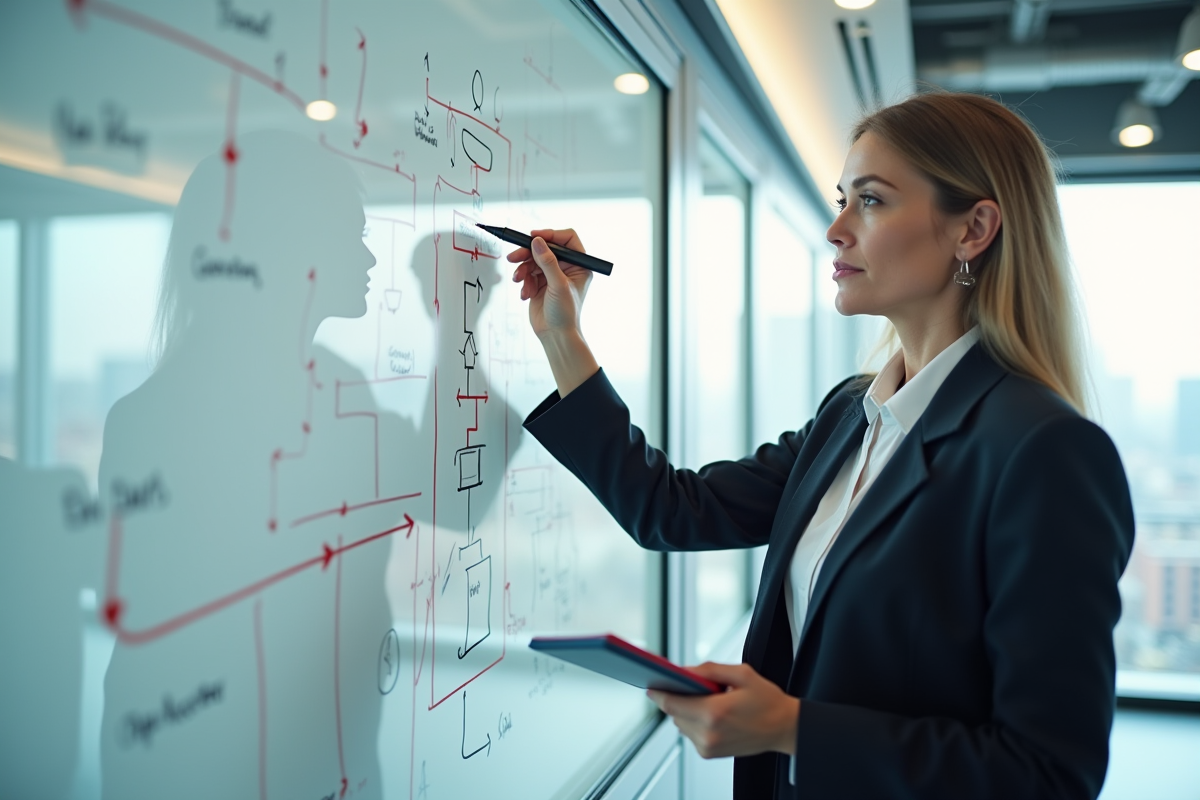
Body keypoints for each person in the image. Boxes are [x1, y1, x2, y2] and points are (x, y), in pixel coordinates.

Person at [508, 92, 1135, 799]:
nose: (835, 229)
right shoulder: (851, 413)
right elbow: (673, 511)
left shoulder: (1045, 452)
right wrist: (563, 334)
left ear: (973, 230)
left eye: (869, 201)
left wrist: (794, 728)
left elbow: (1051, 775)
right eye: (842, 199)